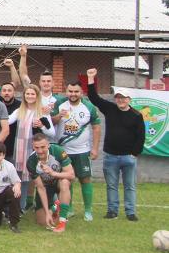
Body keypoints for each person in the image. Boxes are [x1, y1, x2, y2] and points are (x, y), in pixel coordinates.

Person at [85, 68, 145, 221]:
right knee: (111, 185)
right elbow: (94, 98)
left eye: (123, 98)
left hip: (128, 157)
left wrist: (134, 154)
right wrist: (91, 79)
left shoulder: (136, 116)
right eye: (118, 98)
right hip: (110, 156)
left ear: (129, 99)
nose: (121, 100)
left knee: (129, 186)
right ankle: (112, 211)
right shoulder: (110, 109)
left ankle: (130, 212)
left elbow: (141, 137)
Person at [51, 81, 101, 222]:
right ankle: (69, 209)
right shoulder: (59, 104)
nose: (73, 94)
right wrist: (58, 116)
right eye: (70, 91)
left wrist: (95, 148)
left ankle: (88, 210)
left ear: (81, 92)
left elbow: (96, 128)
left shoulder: (89, 107)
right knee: (66, 180)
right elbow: (51, 122)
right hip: (63, 150)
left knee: (85, 179)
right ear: (66, 92)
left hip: (82, 151)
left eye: (76, 91)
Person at [8, 84, 55, 211]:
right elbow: (7, 121)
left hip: (34, 151)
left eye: (32, 94)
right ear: (24, 96)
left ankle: (49, 204)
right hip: (19, 151)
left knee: (39, 179)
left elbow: (52, 133)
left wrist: (42, 126)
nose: (30, 96)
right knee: (19, 179)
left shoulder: (42, 112)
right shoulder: (19, 111)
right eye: (27, 94)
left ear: (37, 96)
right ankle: (20, 206)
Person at [27, 133, 74, 233]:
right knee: (43, 221)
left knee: (65, 182)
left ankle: (62, 222)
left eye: (43, 147)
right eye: (37, 147)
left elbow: (71, 175)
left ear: (48, 145)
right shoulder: (31, 161)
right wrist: (48, 213)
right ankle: (55, 206)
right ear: (33, 146)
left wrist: (53, 173)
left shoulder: (58, 151)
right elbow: (40, 188)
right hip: (45, 186)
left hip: (59, 182)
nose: (40, 151)